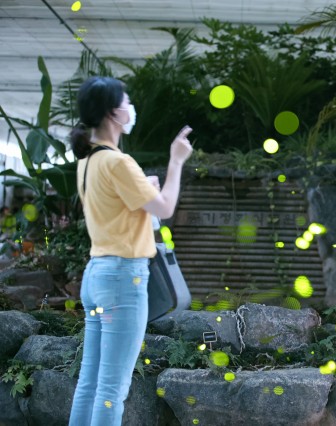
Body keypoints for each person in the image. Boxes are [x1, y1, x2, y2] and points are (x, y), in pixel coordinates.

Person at [68, 76, 192, 426]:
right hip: (122, 280)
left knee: (90, 384)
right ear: (112, 113)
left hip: (96, 277)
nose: (130, 108)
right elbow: (165, 208)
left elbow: (118, 206)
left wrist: (146, 187)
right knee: (112, 389)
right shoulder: (119, 162)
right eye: (126, 102)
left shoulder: (89, 160)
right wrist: (176, 161)